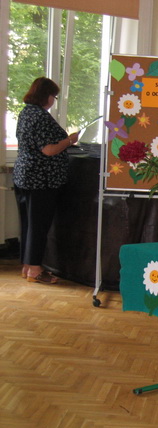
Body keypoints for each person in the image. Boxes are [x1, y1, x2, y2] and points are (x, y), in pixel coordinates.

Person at [13, 77, 79, 284]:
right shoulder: (40, 116)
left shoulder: (26, 112)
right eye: (54, 96)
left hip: (25, 175)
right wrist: (69, 140)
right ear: (46, 95)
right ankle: (35, 269)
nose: (53, 100)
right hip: (41, 180)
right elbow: (48, 150)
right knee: (38, 226)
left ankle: (27, 266)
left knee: (28, 224)